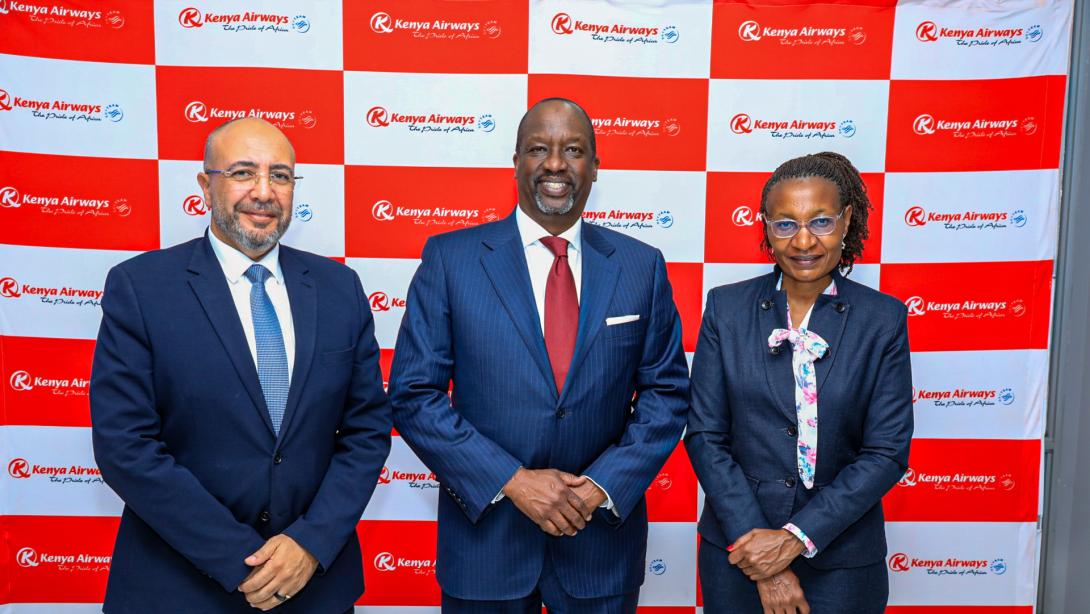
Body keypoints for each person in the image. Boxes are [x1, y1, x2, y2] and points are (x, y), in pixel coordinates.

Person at [388, 98, 690, 612]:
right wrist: (512, 481)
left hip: (600, 550)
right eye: (538, 149)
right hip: (486, 546)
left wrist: (598, 487)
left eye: (573, 150)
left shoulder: (641, 266)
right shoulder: (451, 259)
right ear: (516, 161)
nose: (555, 163)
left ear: (595, 166)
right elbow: (414, 393)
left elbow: (667, 393)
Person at [90, 117, 392, 613]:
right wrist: (241, 560)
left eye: (280, 175)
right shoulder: (141, 288)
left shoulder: (340, 289)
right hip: (177, 588)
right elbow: (126, 446)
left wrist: (310, 544)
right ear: (206, 186)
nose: (263, 191)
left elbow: (366, 432)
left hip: (312, 587)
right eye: (243, 173)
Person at [685, 152, 913, 613]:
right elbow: (706, 436)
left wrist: (794, 539)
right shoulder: (726, 310)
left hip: (843, 560)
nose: (804, 241)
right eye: (785, 224)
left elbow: (886, 452)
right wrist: (762, 554)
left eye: (822, 221)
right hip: (739, 551)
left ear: (847, 221)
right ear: (766, 228)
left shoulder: (882, 320)